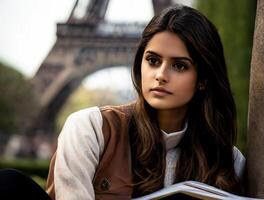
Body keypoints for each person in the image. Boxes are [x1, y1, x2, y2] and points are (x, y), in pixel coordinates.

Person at [46, 4, 245, 200]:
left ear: (203, 79)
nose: (160, 75)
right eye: (153, 60)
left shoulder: (229, 161)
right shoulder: (89, 129)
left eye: (179, 65)